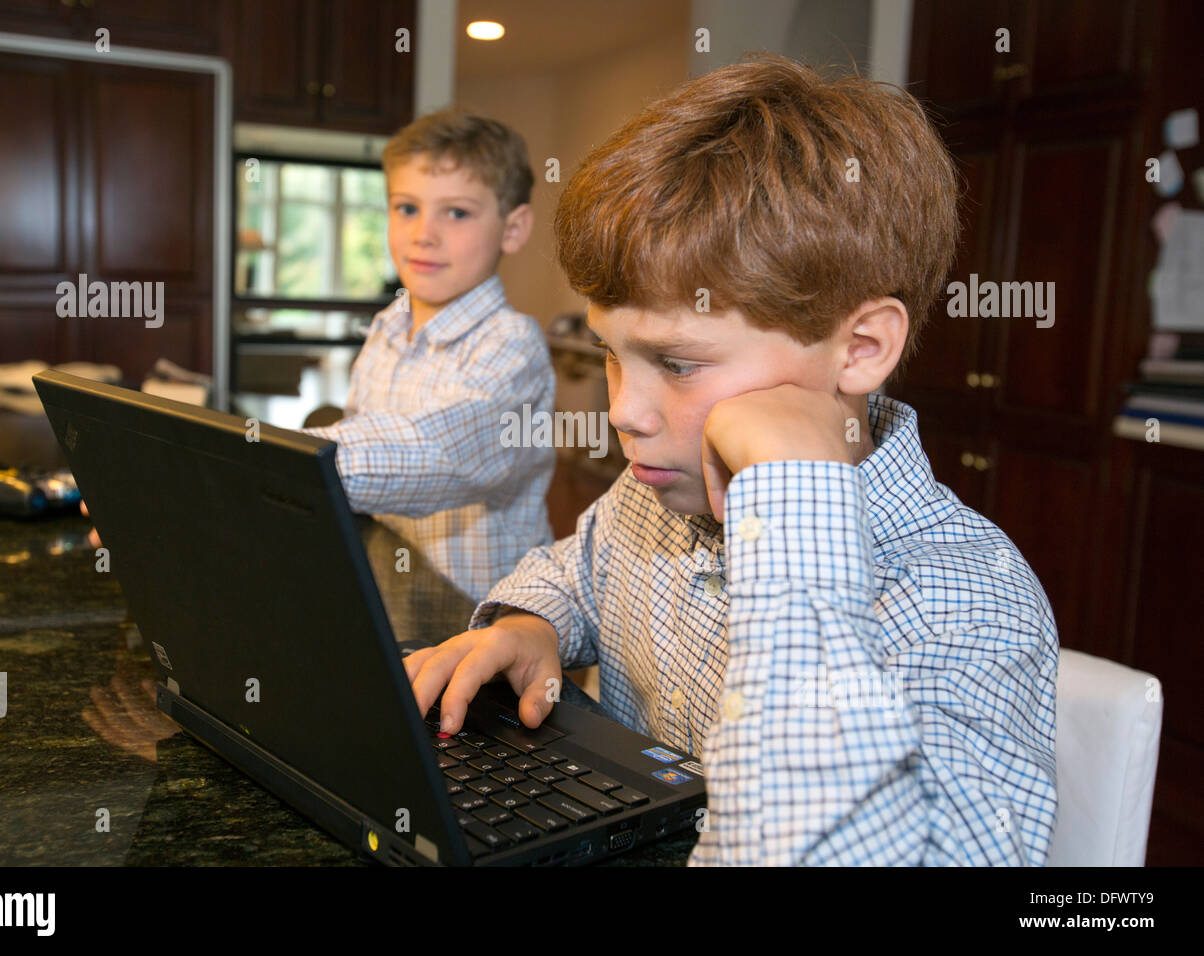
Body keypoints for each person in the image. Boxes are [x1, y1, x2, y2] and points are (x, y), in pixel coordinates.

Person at [403, 54, 1059, 865]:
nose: (623, 413)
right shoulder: (660, 496)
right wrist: (531, 622)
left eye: (678, 364)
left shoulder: (967, 606)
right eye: (611, 353)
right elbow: (576, 566)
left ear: (860, 349)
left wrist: (796, 500)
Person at [298, 110, 556, 603]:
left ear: (513, 228)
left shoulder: (512, 346)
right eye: (407, 208)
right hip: (395, 591)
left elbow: (437, 456)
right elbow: (361, 439)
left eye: (456, 212)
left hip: (483, 621)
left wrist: (277, 465)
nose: (424, 234)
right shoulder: (387, 327)